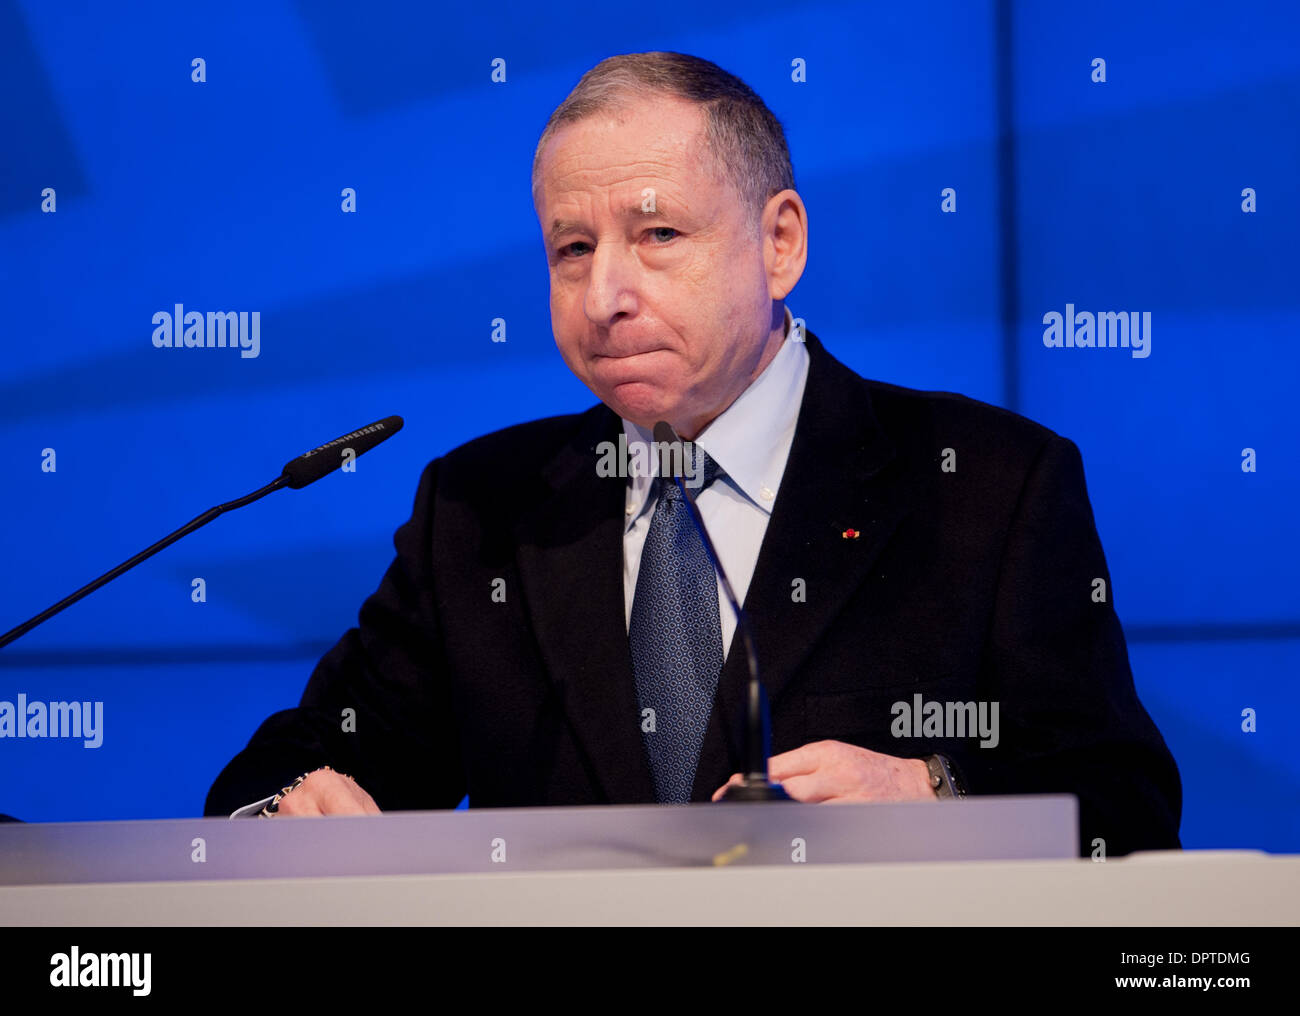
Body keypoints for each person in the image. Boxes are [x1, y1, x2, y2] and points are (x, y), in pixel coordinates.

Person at [206, 52, 1181, 857]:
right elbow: (286, 774)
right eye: (571, 249)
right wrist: (295, 809)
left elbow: (1124, 815)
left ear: (781, 243)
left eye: (657, 233)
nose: (603, 296)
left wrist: (940, 796)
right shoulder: (481, 512)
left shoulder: (986, 485)